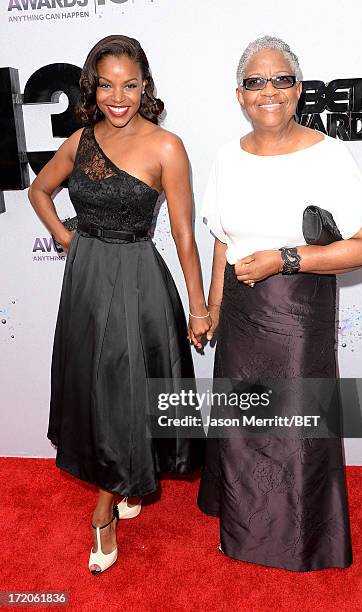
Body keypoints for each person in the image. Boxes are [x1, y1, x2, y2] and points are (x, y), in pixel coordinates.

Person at [197, 35, 362, 571]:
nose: (269, 91)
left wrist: (287, 258)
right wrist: (211, 307)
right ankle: (241, 522)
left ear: (298, 89)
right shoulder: (226, 156)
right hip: (239, 314)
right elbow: (221, 239)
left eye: (281, 79)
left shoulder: (327, 155)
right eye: (256, 82)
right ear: (240, 95)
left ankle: (298, 539)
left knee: (296, 428)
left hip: (298, 316)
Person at [28, 35, 210, 575]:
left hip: (135, 280)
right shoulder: (81, 139)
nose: (118, 96)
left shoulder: (167, 146)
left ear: (145, 86)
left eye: (130, 85)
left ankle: (105, 510)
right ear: (92, 87)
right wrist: (66, 238)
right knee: (97, 391)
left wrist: (198, 308)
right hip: (86, 280)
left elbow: (182, 236)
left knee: (126, 393)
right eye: (106, 85)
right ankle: (125, 481)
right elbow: (41, 191)